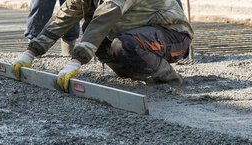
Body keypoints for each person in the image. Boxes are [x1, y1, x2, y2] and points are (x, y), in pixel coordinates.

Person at [11, 0, 193, 92]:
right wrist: (30, 52)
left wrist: (75, 61)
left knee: (124, 45)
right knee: (105, 44)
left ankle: (171, 79)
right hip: (140, 35)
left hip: (172, 36)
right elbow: (62, 19)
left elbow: (101, 22)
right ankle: (139, 73)